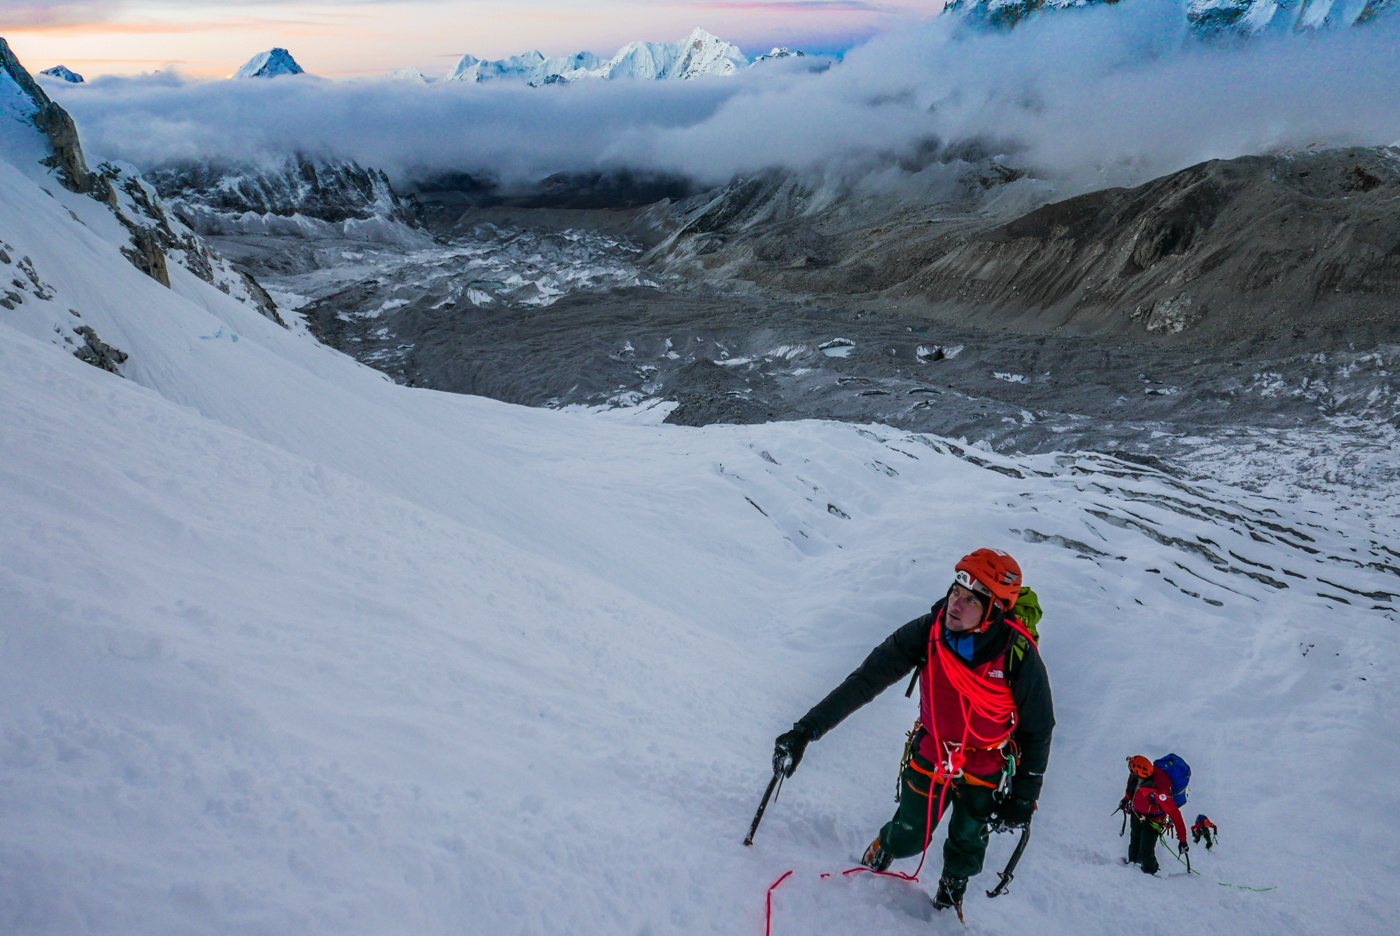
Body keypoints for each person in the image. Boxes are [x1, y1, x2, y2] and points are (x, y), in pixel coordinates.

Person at [772, 549, 1054, 918]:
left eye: (971, 599)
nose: (956, 603)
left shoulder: (1018, 655)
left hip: (986, 763)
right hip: (933, 751)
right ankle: (888, 844)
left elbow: (1038, 728)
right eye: (956, 591)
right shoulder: (929, 631)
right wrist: (805, 730)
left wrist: (1023, 799)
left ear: (994, 612)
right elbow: (866, 680)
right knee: (910, 832)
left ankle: (952, 890)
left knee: (968, 840)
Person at [1121, 755, 1188, 874]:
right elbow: (1132, 788)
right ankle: (1132, 867)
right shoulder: (1138, 776)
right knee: (1134, 843)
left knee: (1146, 851)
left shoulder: (1161, 791)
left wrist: (1183, 840)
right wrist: (1126, 800)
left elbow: (1175, 814)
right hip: (1137, 813)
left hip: (1153, 820)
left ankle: (1150, 873)